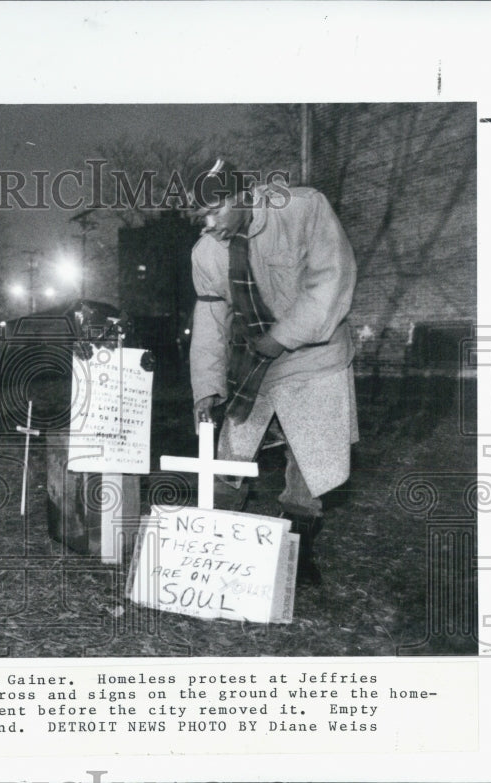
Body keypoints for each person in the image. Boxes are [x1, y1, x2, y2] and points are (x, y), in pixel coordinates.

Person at [186, 158, 358, 585]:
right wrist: (205, 389)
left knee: (309, 458)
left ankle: (298, 555)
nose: (208, 224)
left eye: (215, 210)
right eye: (200, 216)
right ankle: (219, 549)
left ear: (242, 196)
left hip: (316, 355)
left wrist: (282, 337)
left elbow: (331, 281)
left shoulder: (303, 209)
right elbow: (210, 323)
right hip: (258, 361)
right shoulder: (207, 252)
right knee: (230, 450)